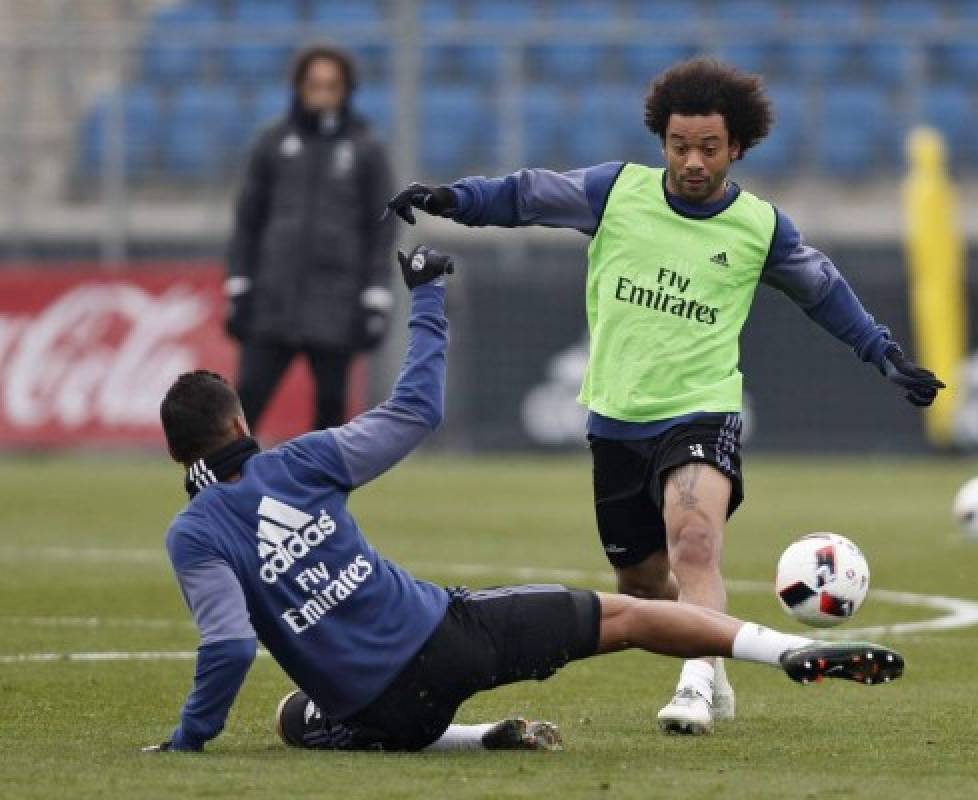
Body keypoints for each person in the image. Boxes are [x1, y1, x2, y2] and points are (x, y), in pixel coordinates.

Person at [142, 245, 905, 755]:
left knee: (292, 717)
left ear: (179, 453)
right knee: (630, 615)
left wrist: (189, 738)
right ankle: (790, 649)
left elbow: (231, 646)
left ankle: (477, 739)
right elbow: (414, 413)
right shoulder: (300, 463)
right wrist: (430, 296)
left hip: (388, 716)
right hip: (450, 639)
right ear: (241, 423)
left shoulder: (193, 534)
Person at [383, 58, 941, 734]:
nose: (694, 161)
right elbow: (530, 194)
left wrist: (882, 352)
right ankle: (719, 645)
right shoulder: (617, 192)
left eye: (709, 148)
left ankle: (697, 684)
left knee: (696, 541)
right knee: (643, 588)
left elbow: (822, 290)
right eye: (680, 146)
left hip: (702, 408)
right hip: (617, 420)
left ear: (738, 146)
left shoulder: (760, 227)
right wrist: (457, 201)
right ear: (663, 141)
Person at [225, 44, 397, 432]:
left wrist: (376, 297)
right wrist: (239, 286)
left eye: (331, 85)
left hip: (336, 303)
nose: (322, 94)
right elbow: (247, 221)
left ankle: (319, 494)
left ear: (346, 89)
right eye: (314, 84)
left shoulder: (366, 148)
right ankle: (217, 487)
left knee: (331, 412)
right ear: (299, 87)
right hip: (274, 299)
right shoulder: (272, 143)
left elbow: (381, 228)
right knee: (244, 402)